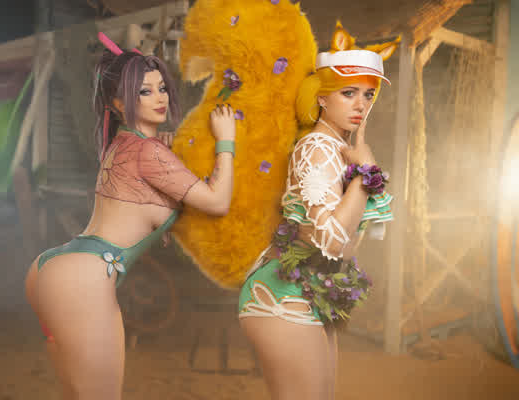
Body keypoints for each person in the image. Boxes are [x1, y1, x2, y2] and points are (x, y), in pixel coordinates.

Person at [24, 32, 236, 399]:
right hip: (84, 279)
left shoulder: (120, 144)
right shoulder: (150, 154)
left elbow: (155, 174)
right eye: (144, 92)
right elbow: (218, 202)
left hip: (52, 270)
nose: (160, 98)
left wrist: (171, 146)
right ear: (119, 103)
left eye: (161, 88)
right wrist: (226, 141)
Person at [238, 23, 398, 399]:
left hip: (311, 293)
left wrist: (362, 172)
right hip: (281, 293)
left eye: (368, 95)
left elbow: (349, 246)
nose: (361, 105)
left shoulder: (340, 150)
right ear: (322, 98)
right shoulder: (316, 147)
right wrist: (364, 176)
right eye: (348, 93)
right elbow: (330, 242)